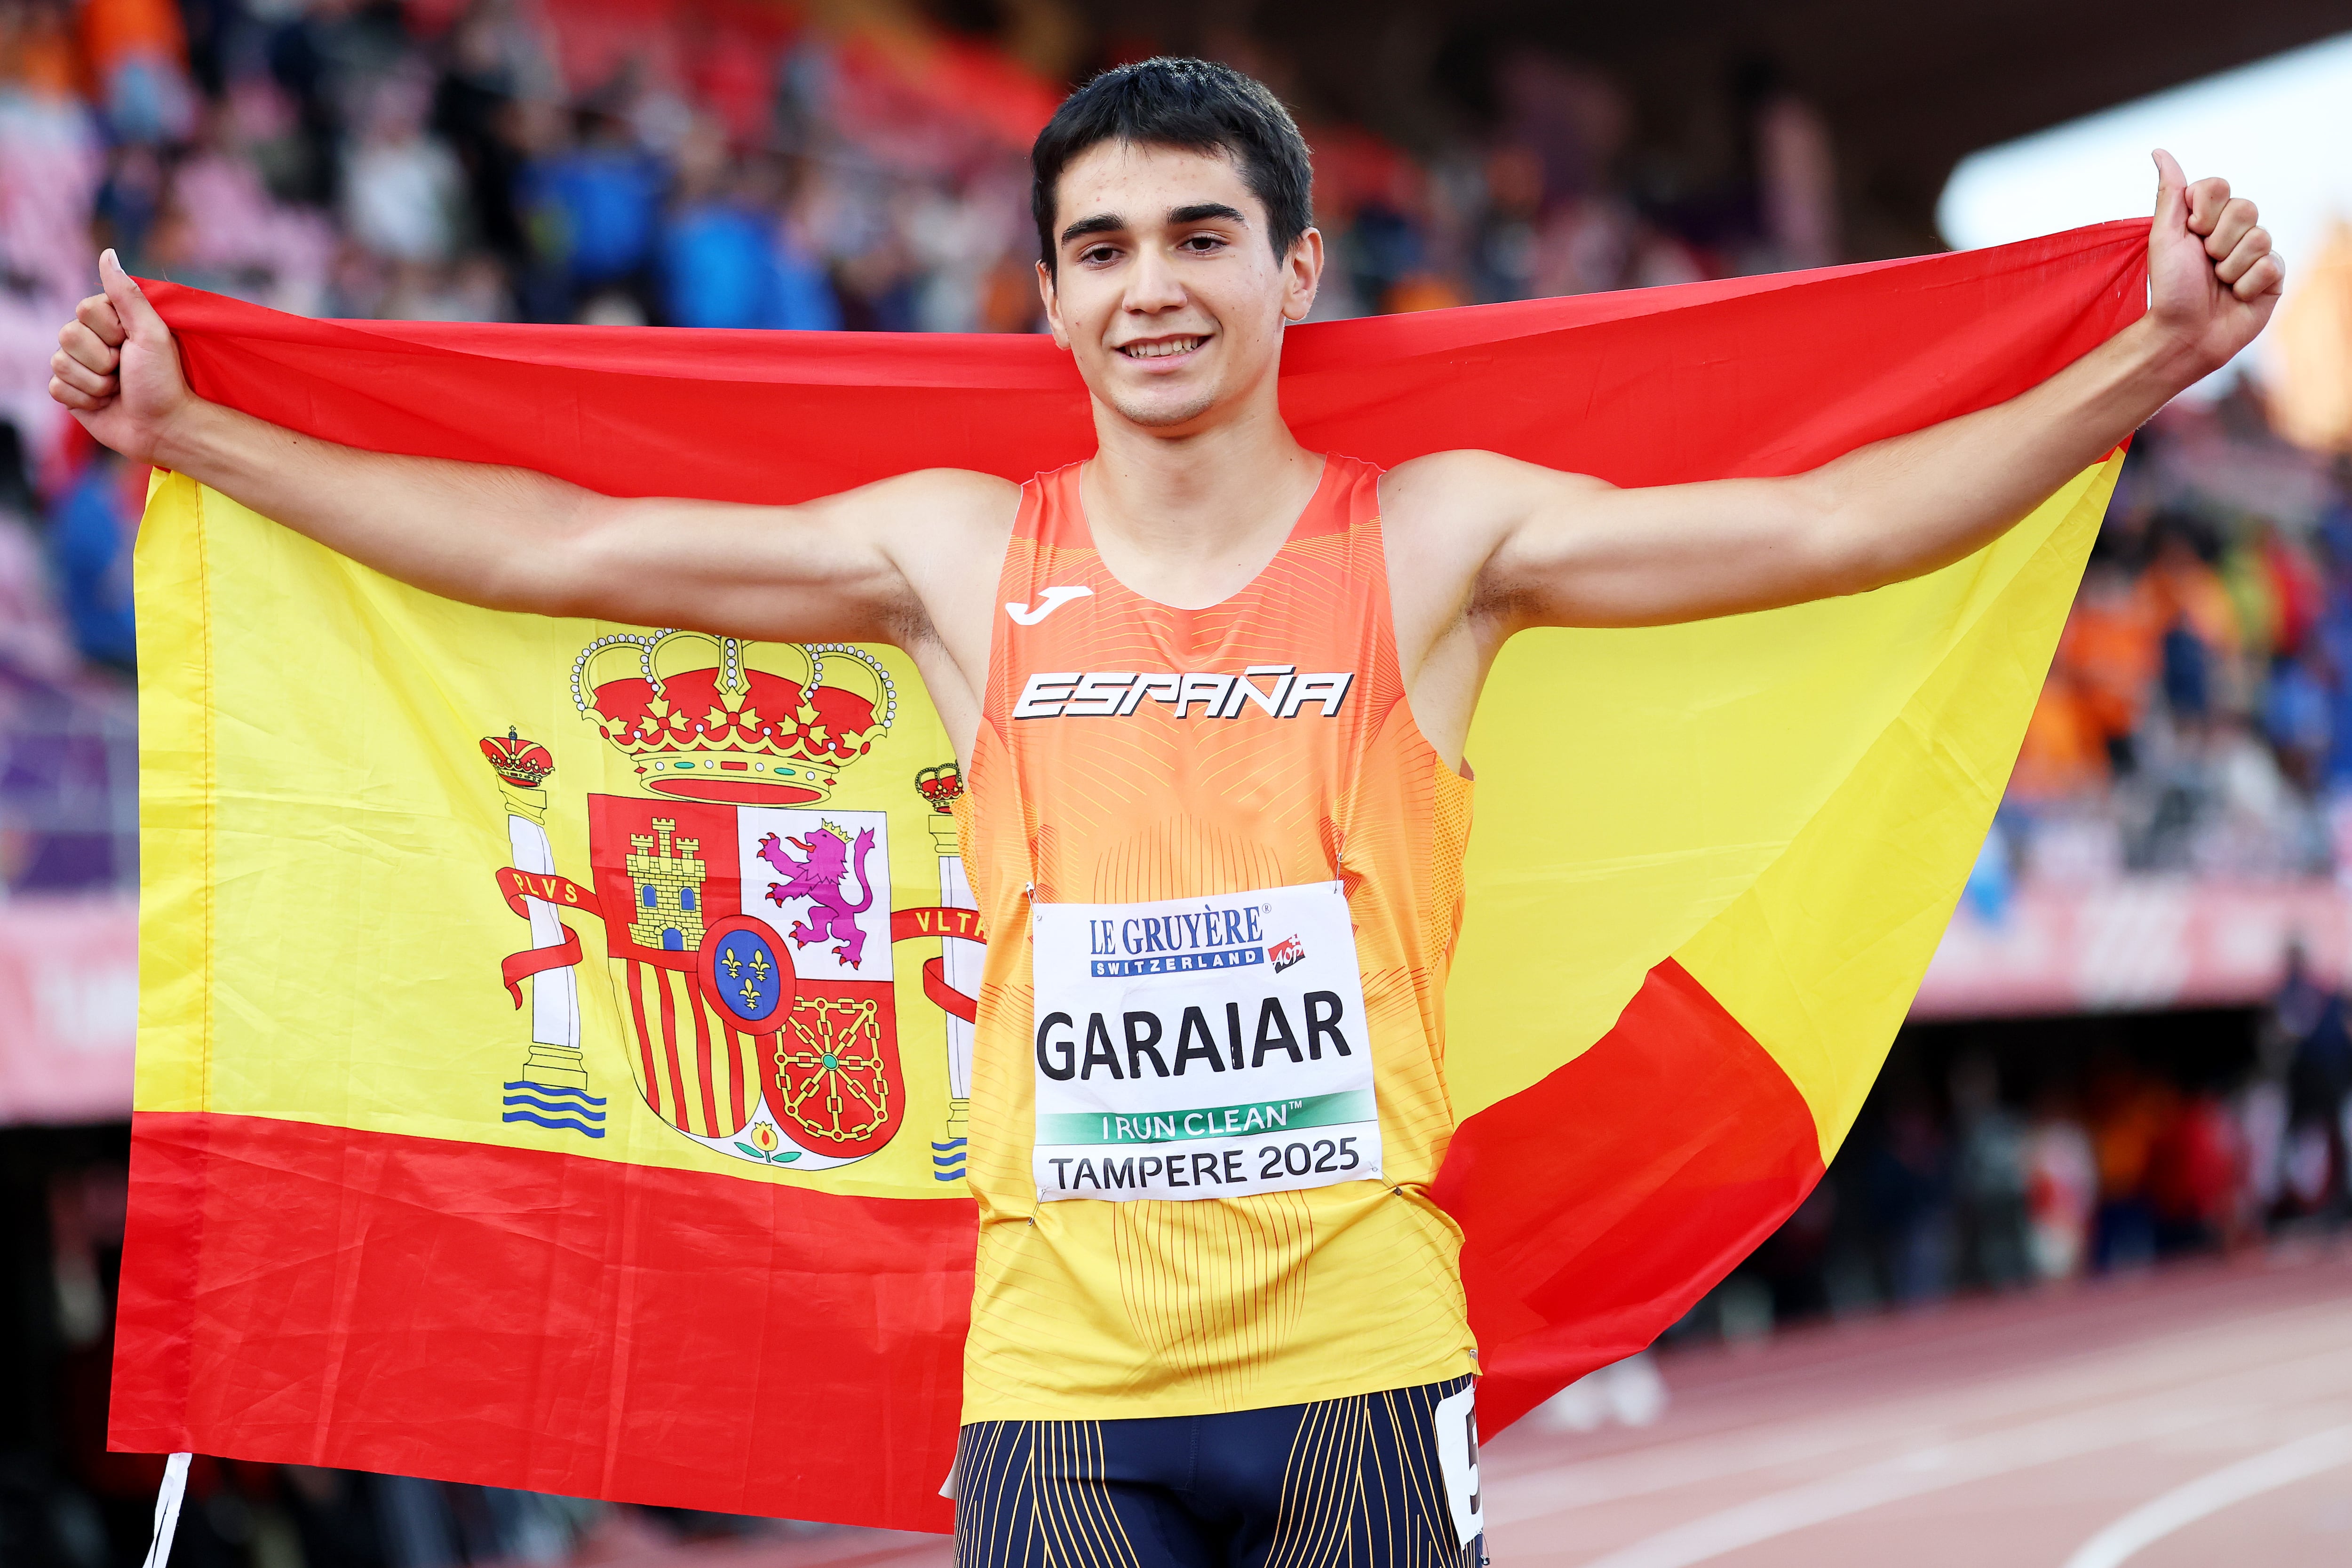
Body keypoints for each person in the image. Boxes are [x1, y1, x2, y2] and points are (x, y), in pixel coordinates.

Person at [48, 56, 2281, 1568]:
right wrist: (206, 440)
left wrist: (2137, 363)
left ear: (1295, 270)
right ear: (1045, 292)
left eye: (1202, 238)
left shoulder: (1435, 540)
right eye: (1100, 249)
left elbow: (1834, 532)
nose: (1153, 289)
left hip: (1355, 1369)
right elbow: (553, 552)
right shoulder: (949, 554)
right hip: (1055, 1387)